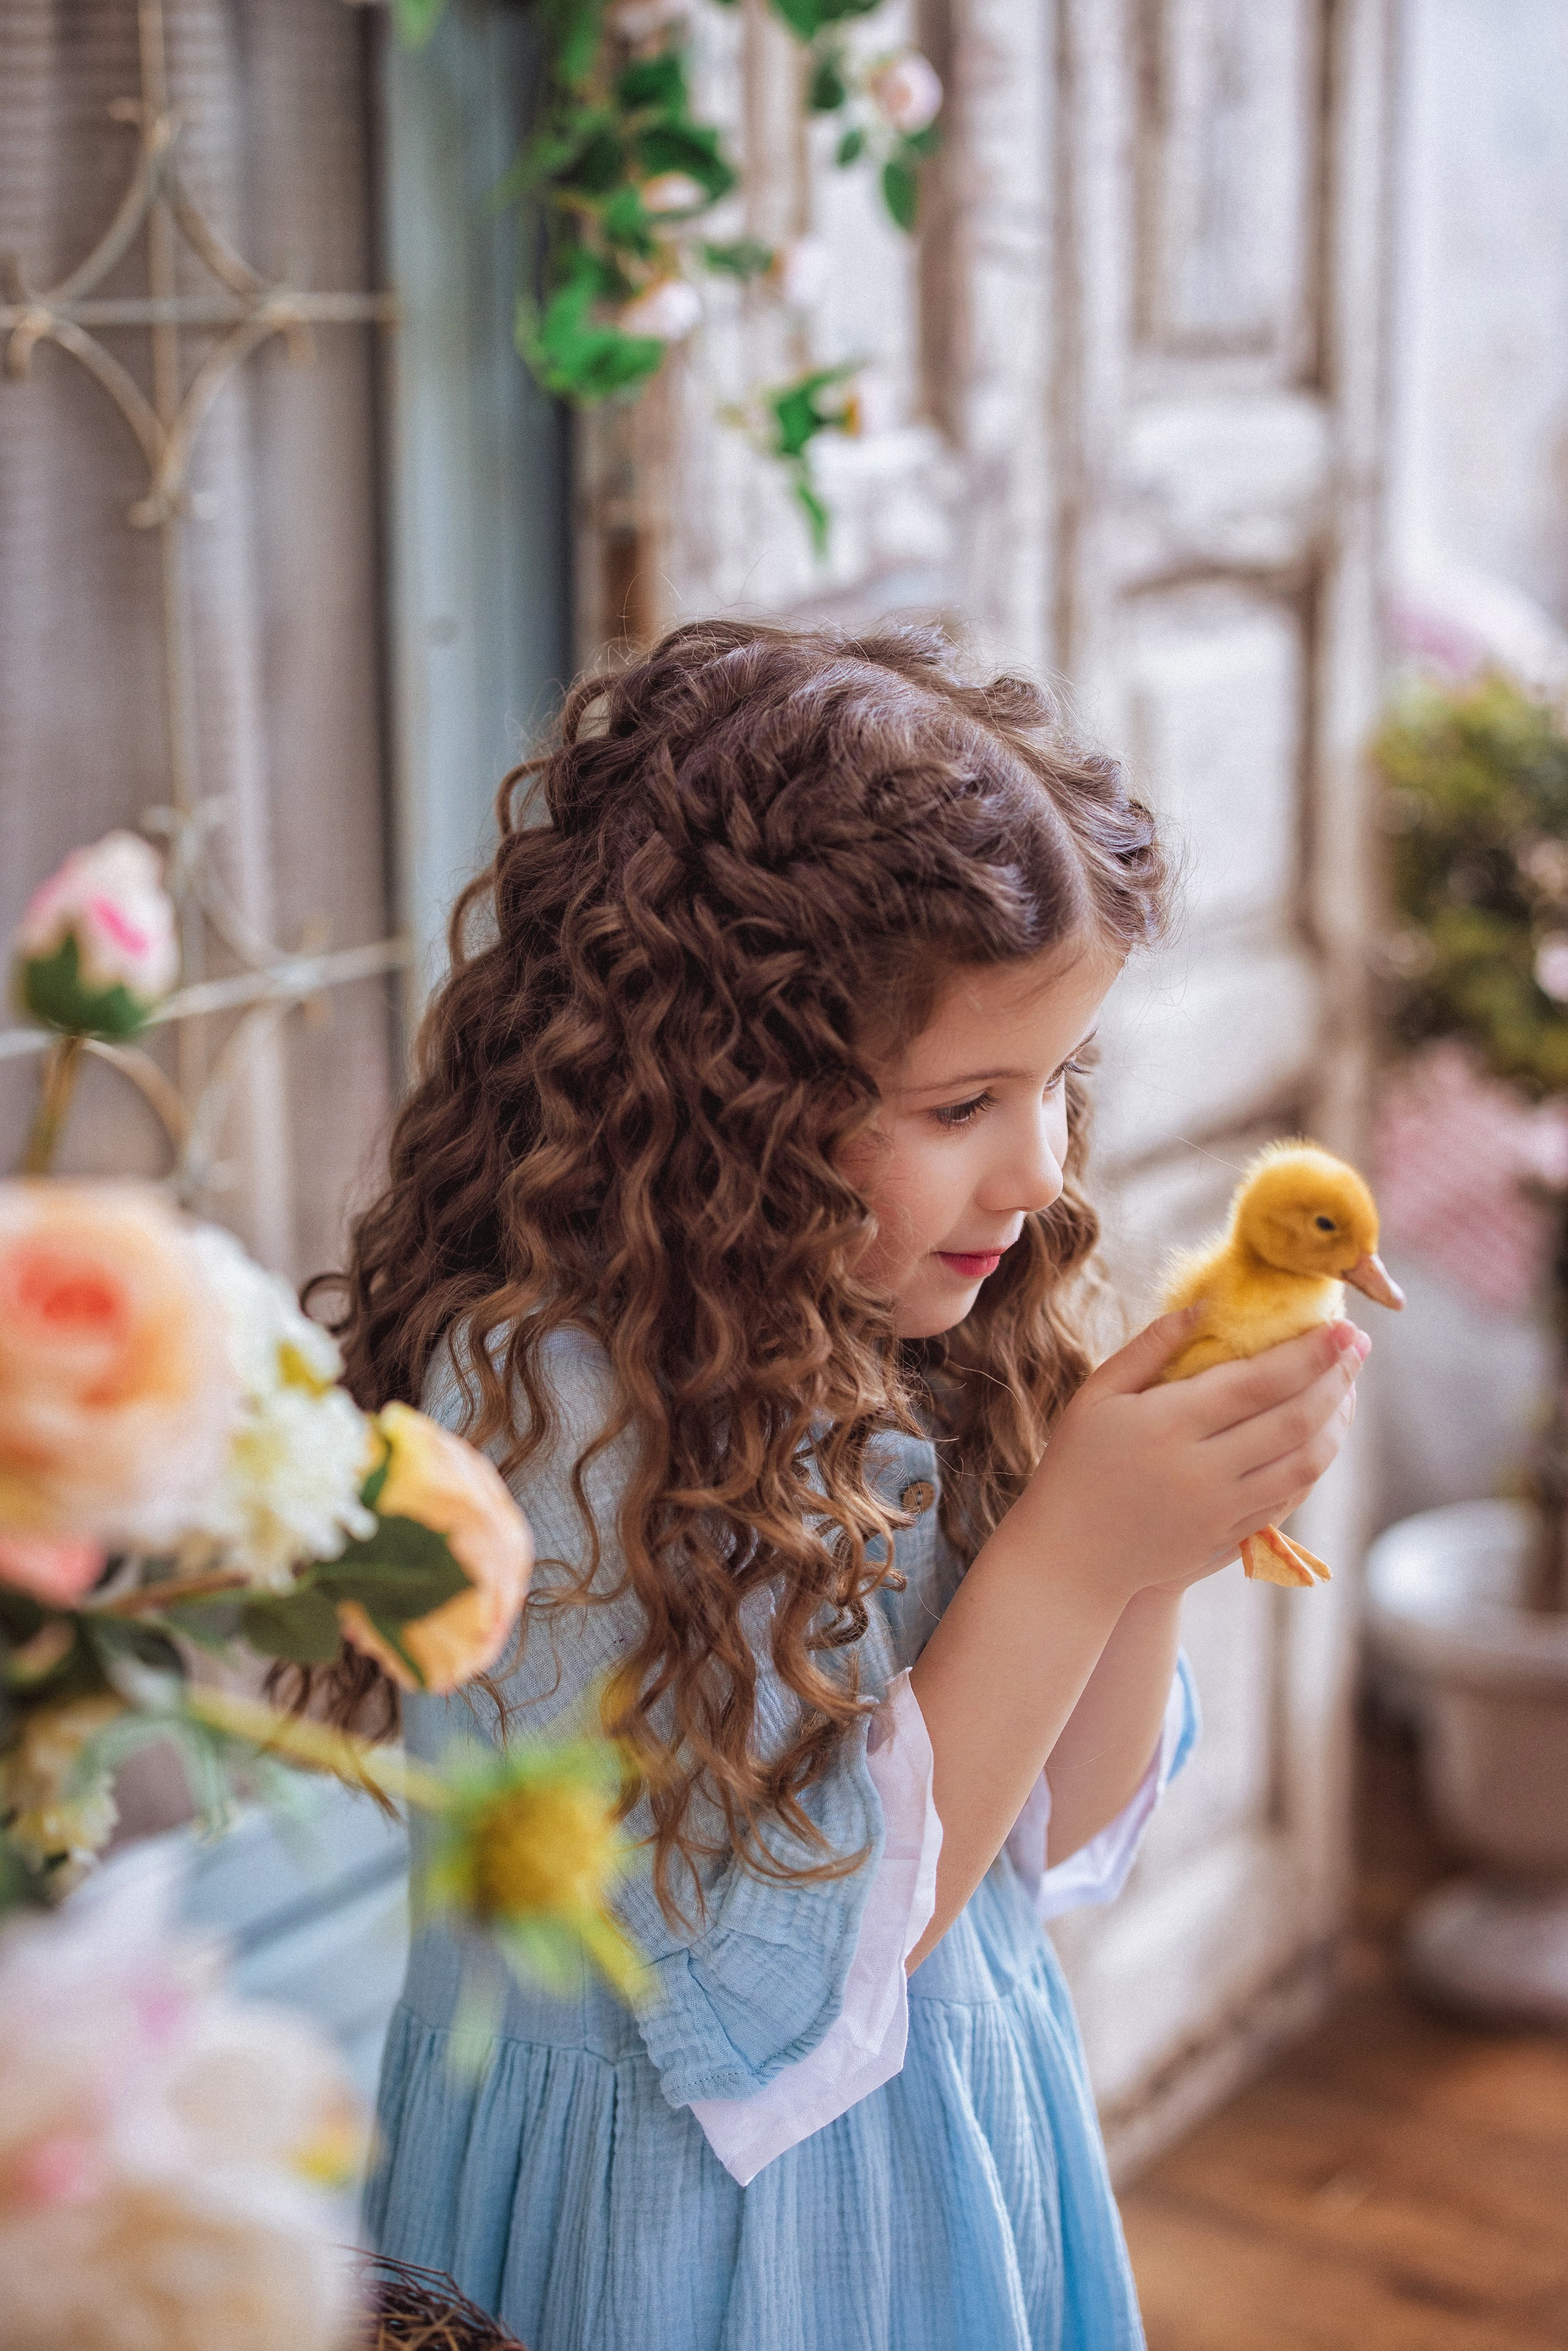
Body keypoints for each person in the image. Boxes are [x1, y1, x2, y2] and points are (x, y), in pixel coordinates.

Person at [332, 620, 1366, 2350]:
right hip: (671, 2236)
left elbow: (1047, 1833)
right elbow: (776, 1977)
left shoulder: (920, 1326)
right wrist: (1071, 1554)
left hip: (947, 2158)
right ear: (726, 1094)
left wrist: (1152, 1554)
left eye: (1060, 1082)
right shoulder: (552, 1413)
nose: (1039, 1171)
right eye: (965, 1103)